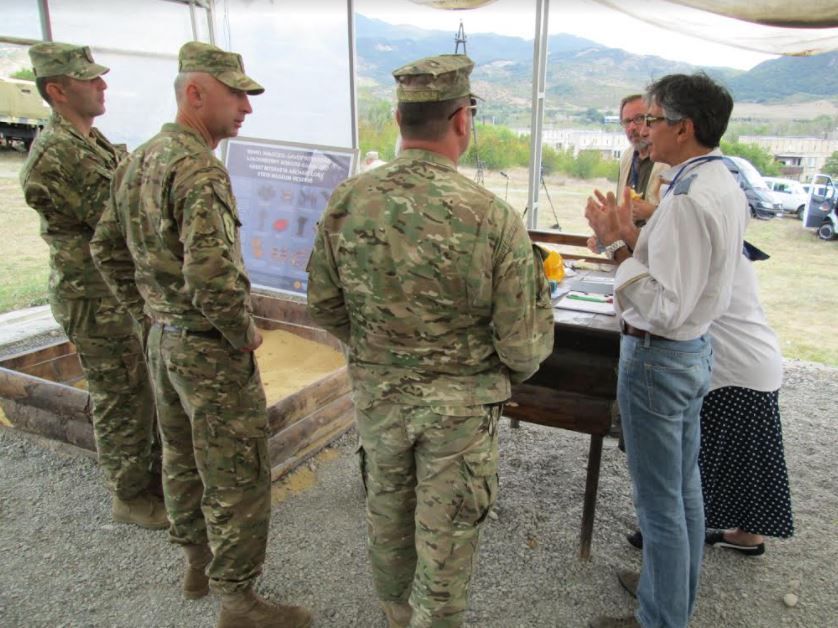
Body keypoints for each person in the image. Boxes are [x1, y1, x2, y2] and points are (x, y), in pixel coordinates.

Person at [306, 54, 554, 628]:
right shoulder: (491, 216)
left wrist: (378, 353)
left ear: (399, 119)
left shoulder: (348, 200)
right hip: (459, 413)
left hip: (380, 398)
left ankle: (396, 614)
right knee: (446, 541)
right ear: (462, 120)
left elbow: (323, 304)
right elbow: (523, 346)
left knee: (388, 516)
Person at [90, 41, 311, 628]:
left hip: (164, 342)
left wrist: (148, 312)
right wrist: (242, 332)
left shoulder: (138, 160)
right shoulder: (198, 169)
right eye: (236, 94)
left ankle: (196, 565)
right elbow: (211, 273)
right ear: (195, 93)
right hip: (208, 349)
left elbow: (105, 248)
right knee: (238, 473)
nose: (247, 107)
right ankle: (238, 601)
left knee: (182, 457)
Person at [585, 73, 746, 628]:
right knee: (683, 493)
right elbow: (680, 275)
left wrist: (614, 244)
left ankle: (659, 617)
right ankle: (670, 600)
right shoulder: (719, 181)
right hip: (691, 352)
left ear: (684, 127)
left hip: (659, 358)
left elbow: (662, 306)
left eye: (652, 119)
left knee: (660, 505)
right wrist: (630, 236)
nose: (644, 131)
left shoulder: (686, 200)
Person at [19, 42, 163, 529]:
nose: (102, 84)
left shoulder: (90, 141)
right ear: (58, 90)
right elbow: (120, 216)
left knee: (140, 388)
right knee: (120, 395)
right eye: (89, 79)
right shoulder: (58, 154)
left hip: (117, 292)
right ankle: (130, 496)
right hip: (93, 297)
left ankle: (150, 478)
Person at [587, 94, 668, 252]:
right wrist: (604, 235)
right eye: (626, 122)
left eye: (639, 119)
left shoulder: (669, 159)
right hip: (629, 256)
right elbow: (622, 213)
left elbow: (683, 222)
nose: (632, 128)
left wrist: (652, 212)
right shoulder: (627, 157)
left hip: (658, 254)